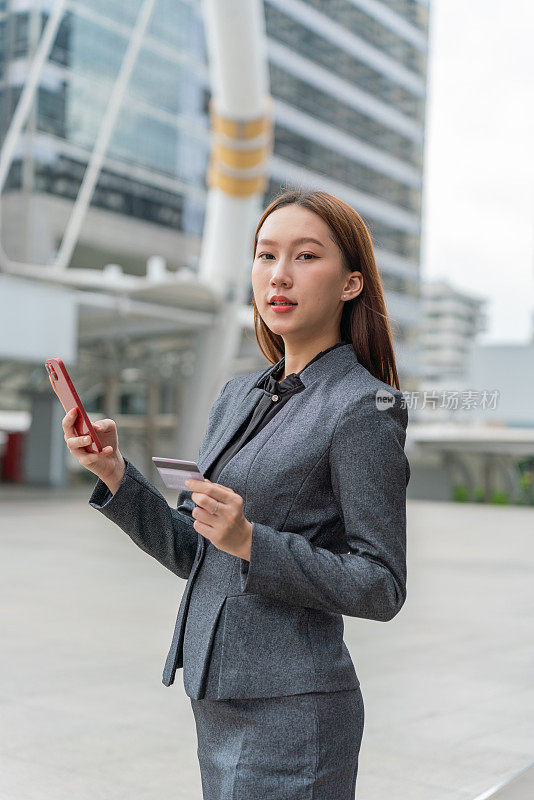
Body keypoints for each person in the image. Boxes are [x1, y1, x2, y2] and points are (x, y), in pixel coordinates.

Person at [63, 188, 410, 799]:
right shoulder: (238, 395)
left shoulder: (363, 408)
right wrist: (115, 473)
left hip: (296, 709)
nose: (278, 275)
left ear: (351, 284)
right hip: (218, 694)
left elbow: (381, 585)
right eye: (265, 255)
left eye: (305, 257)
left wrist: (252, 542)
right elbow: (194, 551)